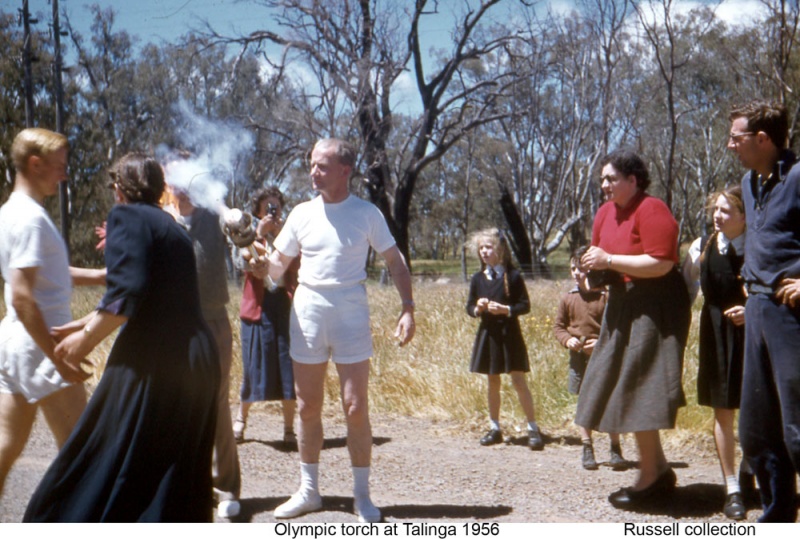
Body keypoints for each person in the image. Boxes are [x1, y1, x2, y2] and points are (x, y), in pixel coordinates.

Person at [23, 152, 220, 522]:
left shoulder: (125, 216)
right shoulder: (171, 226)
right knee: (171, 466)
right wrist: (82, 324)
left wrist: (82, 343)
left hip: (155, 361)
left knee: (108, 450)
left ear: (120, 188)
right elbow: (143, 292)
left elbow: (127, 295)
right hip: (195, 359)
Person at [254, 138, 415, 523]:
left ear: (345, 170)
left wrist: (408, 308)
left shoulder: (367, 213)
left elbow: (395, 261)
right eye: (311, 164)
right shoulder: (300, 214)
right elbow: (275, 269)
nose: (313, 172)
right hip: (307, 310)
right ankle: (309, 492)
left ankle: (362, 497)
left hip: (350, 310)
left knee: (355, 407)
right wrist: (259, 258)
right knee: (308, 406)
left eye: (322, 166)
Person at [576, 149, 691, 509]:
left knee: (641, 385)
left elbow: (660, 263)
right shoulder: (604, 213)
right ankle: (657, 470)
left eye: (611, 179)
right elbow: (601, 259)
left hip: (656, 305)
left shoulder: (652, 209)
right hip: (622, 303)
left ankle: (650, 476)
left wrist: (609, 260)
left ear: (633, 180)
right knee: (618, 382)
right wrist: (592, 275)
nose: (605, 186)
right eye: (603, 180)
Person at [0, 128, 104, 501]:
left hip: (12, 345)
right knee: (86, 454)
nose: (64, 175)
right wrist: (57, 358)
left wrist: (101, 276)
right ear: (34, 163)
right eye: (59, 167)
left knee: (5, 446)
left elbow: (46, 273)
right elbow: (24, 297)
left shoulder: (10, 213)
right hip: (40, 345)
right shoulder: (30, 219)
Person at [727, 100, 800, 522]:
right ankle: (777, 515)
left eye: (736, 138)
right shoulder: (749, 183)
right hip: (755, 310)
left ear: (763, 139)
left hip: (791, 316)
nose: (730, 145)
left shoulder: (799, 178)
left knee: (798, 427)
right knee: (756, 428)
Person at [165, 174, 241, 520]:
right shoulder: (161, 217)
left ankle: (226, 486)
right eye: (172, 176)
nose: (179, 185)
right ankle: (184, 484)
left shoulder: (214, 216)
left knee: (217, 402)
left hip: (212, 321)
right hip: (171, 324)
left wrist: (232, 215)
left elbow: (244, 237)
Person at [681, 186, 751, 521]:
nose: (716, 216)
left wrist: (751, 310)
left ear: (744, 216)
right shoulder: (701, 248)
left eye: (725, 211)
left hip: (756, 334)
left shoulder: (761, 246)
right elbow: (684, 291)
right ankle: (732, 487)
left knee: (760, 409)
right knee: (723, 411)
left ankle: (752, 469)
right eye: (715, 210)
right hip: (717, 335)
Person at [466, 228, 543, 451]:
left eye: (488, 247)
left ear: (500, 249)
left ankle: (532, 428)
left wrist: (506, 310)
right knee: (493, 381)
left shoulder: (514, 276)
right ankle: (494, 427)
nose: (484, 252)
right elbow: (469, 307)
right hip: (488, 335)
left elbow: (525, 305)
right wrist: (477, 309)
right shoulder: (478, 279)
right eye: (481, 248)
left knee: (518, 381)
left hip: (510, 336)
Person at [234, 187, 299, 446]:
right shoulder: (246, 234)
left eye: (276, 207)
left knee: (288, 368)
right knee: (251, 366)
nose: (273, 212)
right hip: (257, 307)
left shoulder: (291, 234)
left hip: (284, 304)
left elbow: (298, 262)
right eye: (267, 208)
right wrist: (259, 234)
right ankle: (241, 420)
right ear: (258, 212)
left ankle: (288, 429)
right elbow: (242, 261)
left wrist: (282, 234)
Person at [553, 246, 622, 470]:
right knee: (584, 401)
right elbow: (559, 328)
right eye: (573, 268)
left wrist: (601, 343)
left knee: (610, 398)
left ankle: (615, 447)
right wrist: (567, 341)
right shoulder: (568, 299)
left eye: (580, 268)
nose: (576, 273)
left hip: (602, 355)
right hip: (578, 357)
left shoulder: (606, 296)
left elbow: (616, 327)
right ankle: (587, 446)